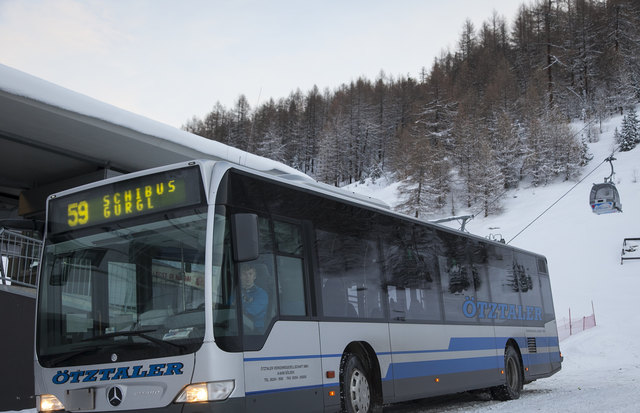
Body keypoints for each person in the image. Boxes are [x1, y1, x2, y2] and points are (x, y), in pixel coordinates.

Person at [239, 263, 268, 331]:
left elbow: (249, 313)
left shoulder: (261, 294)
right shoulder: (236, 293)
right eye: (244, 274)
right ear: (240, 276)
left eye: (250, 274)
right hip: (238, 325)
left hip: (255, 330)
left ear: (254, 277)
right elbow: (229, 308)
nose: (247, 277)